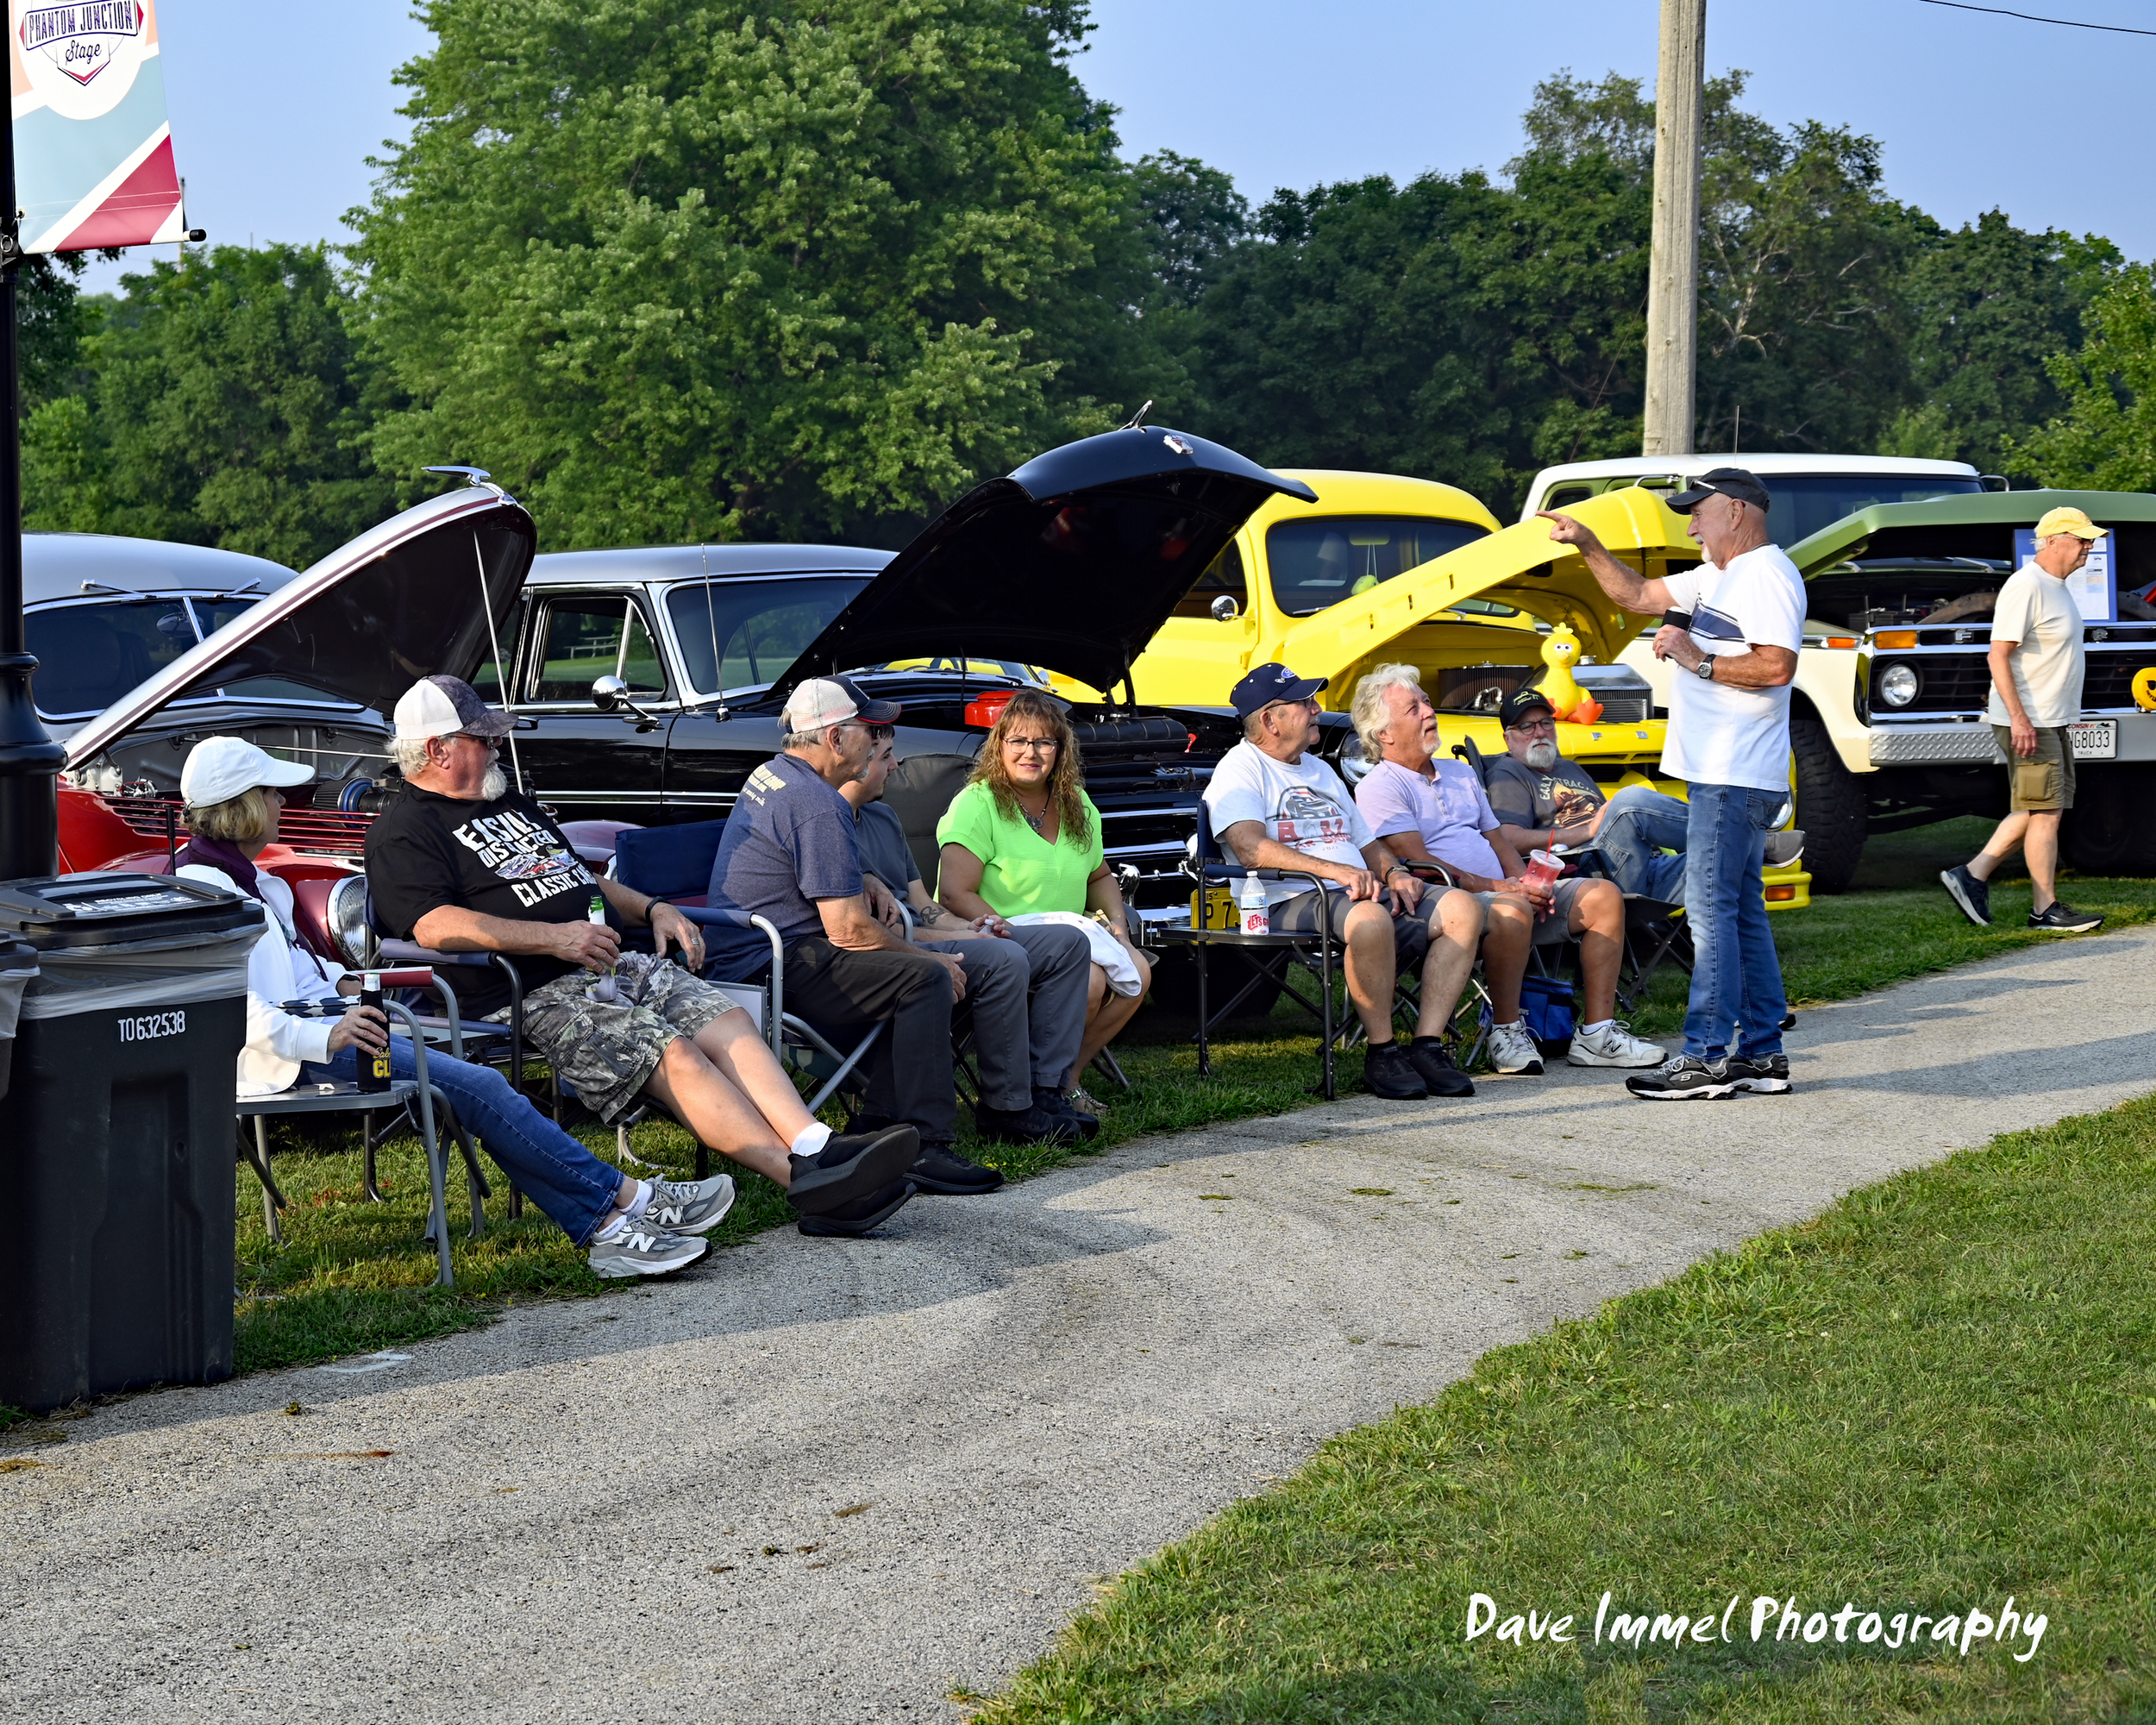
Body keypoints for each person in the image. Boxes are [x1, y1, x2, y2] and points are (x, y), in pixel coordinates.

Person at [365, 676, 924, 1239]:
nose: (495, 749)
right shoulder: (406, 830)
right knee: (674, 1053)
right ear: (438, 750)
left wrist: (651, 907)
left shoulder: (508, 802)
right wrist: (554, 938)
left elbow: (582, 884)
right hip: (524, 989)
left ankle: (814, 1144)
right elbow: (434, 927)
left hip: (603, 960)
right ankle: (812, 1186)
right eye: (481, 739)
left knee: (722, 1018)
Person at [179, 736, 736, 1278]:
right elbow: (229, 1008)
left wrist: (354, 986)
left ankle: (616, 1219)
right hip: (290, 1054)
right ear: (243, 806)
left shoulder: (255, 883)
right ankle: (624, 1207)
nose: (283, 802)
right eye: (273, 792)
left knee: (475, 1088)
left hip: (332, 1032)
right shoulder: (206, 893)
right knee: (481, 1088)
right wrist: (327, 1034)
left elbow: (306, 977)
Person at [1541, 466, 1802, 1100]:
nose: (1690, 524)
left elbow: (1777, 664)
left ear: (1736, 512)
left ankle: (1706, 1058)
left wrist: (1698, 658)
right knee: (1740, 915)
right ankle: (1763, 1055)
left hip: (1734, 774)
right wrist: (1588, 544)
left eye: (1699, 512)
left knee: (1711, 917)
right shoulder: (1718, 576)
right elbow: (1634, 595)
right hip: (1726, 774)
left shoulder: (1765, 575)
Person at [699, 674, 1006, 1194]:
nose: (879, 741)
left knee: (903, 976)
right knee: (921, 980)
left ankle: (880, 1126)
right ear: (836, 740)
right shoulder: (818, 802)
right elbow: (848, 931)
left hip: (747, 954)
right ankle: (925, 1145)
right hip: (771, 964)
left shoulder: (774, 774)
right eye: (869, 730)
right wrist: (928, 959)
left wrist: (860, 875)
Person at [1351, 667, 1666, 1074]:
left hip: (1503, 892)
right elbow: (1418, 865)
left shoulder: (1460, 773)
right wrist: (1506, 889)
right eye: (1414, 708)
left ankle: (1596, 1034)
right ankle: (1506, 1029)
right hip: (1444, 904)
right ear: (1385, 734)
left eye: (1426, 701)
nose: (1430, 712)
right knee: (1512, 909)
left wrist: (1528, 883)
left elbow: (1499, 841)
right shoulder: (1380, 786)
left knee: (1601, 896)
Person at [1196, 661, 1481, 1101]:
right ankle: (1382, 1051)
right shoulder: (1240, 770)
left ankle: (1427, 1045)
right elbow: (1250, 848)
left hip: (1355, 890)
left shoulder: (1320, 769)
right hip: (1287, 896)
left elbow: (1368, 843)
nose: (1316, 709)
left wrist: (1395, 872)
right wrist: (1335, 871)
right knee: (1368, 918)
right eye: (1305, 703)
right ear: (1271, 719)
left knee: (1462, 909)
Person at [842, 727, 1097, 1144]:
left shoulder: (884, 817)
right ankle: (1006, 1109)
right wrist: (966, 940)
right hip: (896, 948)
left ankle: (1046, 1091)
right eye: (887, 756)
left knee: (1067, 942)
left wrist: (973, 927)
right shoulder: (829, 825)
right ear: (857, 762)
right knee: (1004, 957)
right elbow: (870, 930)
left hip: (925, 932)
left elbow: (923, 901)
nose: (895, 766)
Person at [935, 688, 1154, 1116]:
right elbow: (954, 892)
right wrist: (1007, 930)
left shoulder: (1078, 804)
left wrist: (1121, 932)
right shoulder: (977, 804)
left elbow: (1100, 875)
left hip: (1074, 934)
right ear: (999, 746)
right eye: (1018, 740)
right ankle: (1043, 1088)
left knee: (1139, 971)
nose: (1030, 752)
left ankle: (1065, 1079)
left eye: (1043, 742)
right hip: (1003, 936)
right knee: (1090, 980)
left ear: (1060, 750)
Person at [1941, 506, 2107, 936]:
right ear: (2052, 541)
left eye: (2090, 539)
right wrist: (2020, 719)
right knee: (2046, 811)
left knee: (2038, 807)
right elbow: (1998, 654)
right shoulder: (2026, 585)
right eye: (2081, 539)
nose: (2089, 547)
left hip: (2051, 718)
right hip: (2030, 719)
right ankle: (2044, 908)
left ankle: (1971, 875)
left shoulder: (2057, 586)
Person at [1484, 688, 1805, 906]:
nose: (1539, 732)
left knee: (1727, 860)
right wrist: (1585, 831)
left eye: (1545, 723)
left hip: (1642, 864)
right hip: (1588, 874)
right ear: (1507, 737)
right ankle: (1757, 841)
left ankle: (1741, 985)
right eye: (1526, 726)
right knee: (1628, 803)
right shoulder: (1508, 772)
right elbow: (1508, 838)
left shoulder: (1568, 767)